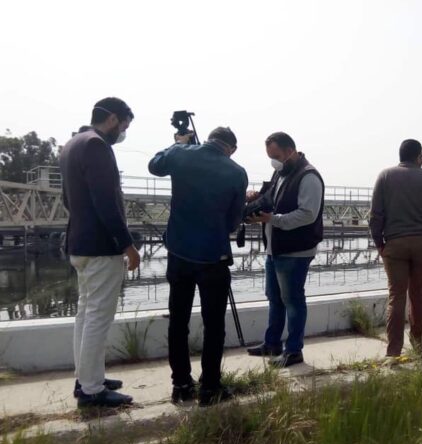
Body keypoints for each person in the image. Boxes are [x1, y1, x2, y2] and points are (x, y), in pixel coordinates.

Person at [148, 127, 248, 405]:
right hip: (213, 258)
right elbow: (233, 222)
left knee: (178, 321)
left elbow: (154, 165)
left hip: (179, 254)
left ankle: (181, 385)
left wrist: (177, 144)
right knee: (214, 324)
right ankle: (210, 388)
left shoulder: (180, 153)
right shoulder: (237, 172)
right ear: (231, 148)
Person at [59, 97, 140, 408]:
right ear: (113, 119)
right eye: (124, 125)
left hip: (79, 244)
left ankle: (86, 378)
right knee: (97, 318)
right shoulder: (97, 146)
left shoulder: (72, 144)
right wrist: (127, 245)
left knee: (85, 314)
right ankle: (92, 389)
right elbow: (106, 202)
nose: (123, 132)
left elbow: (67, 199)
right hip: (100, 247)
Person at [245, 132, 324, 368]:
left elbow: (307, 214)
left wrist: (272, 219)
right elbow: (272, 199)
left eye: (277, 156)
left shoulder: (308, 176)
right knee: (275, 298)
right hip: (275, 248)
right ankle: (272, 344)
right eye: (270, 157)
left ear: (290, 151)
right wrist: (256, 199)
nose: (274, 162)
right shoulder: (281, 173)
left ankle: (294, 350)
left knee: (293, 300)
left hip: (295, 250)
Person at [369, 139, 422, 357]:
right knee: (417, 296)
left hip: (394, 244)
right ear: (419, 157)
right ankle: (419, 346)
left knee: (396, 296)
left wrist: (379, 244)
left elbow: (375, 215)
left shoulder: (385, 176)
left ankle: (393, 351)